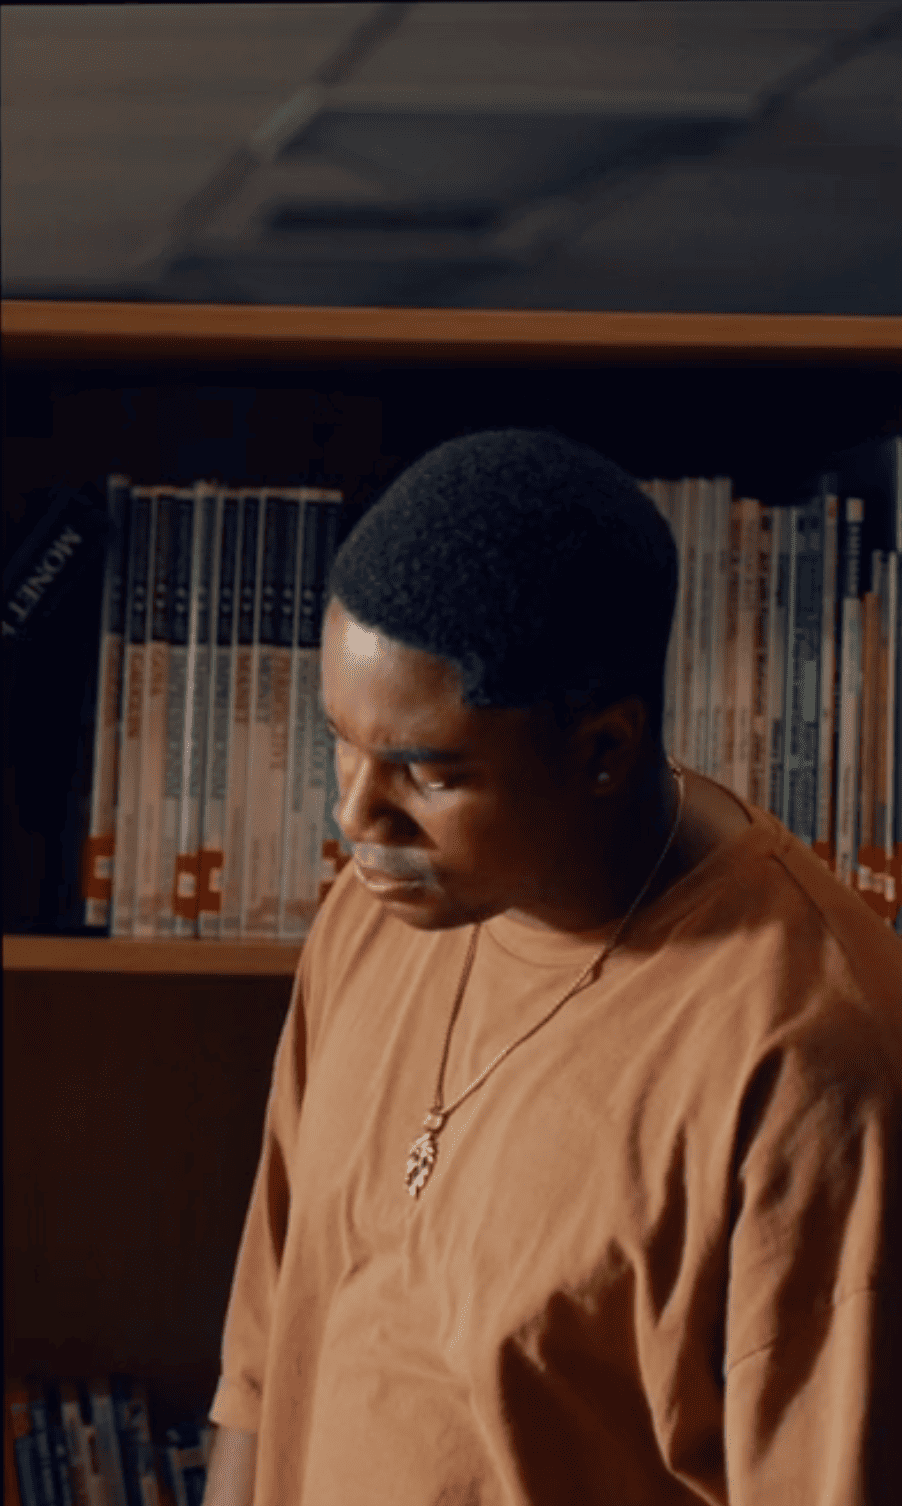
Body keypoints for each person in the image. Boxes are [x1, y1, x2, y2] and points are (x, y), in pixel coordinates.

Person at [202, 428, 902, 1505]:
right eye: (342, 742)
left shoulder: (812, 1058)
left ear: (603, 750)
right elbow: (262, 1358)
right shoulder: (375, 915)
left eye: (427, 773)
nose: (356, 816)